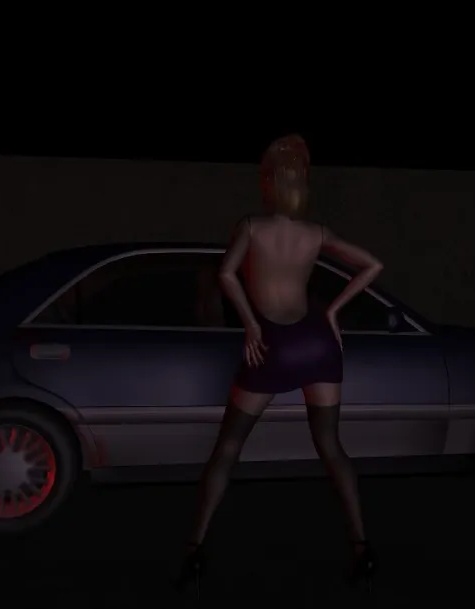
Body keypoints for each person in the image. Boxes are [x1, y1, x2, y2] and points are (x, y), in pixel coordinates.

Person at [175, 134, 384, 593]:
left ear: (268, 182)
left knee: (229, 446)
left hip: (274, 343)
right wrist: (333, 312)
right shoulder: (317, 234)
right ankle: (362, 547)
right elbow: (372, 265)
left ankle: (194, 550)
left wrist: (251, 325)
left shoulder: (252, 226)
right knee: (330, 444)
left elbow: (226, 274)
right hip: (317, 342)